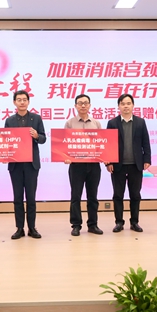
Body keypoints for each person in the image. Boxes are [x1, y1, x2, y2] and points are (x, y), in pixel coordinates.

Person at [106, 94, 151, 233]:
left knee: (135, 195)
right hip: (117, 165)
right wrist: (108, 162)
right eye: (123, 103)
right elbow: (108, 144)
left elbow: (145, 142)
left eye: (128, 103)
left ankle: (134, 222)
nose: (126, 106)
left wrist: (147, 159)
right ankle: (119, 222)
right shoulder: (112, 123)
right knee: (118, 195)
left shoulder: (140, 122)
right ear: (118, 106)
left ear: (133, 105)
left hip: (136, 165)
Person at [4, 90, 46, 239]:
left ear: (28, 102)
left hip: (31, 164)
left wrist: (36, 136)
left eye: (24, 100)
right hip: (15, 164)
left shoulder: (36, 118)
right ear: (14, 102)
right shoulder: (9, 121)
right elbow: (6, 141)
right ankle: (19, 228)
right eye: (19, 100)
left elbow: (43, 138)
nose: (22, 102)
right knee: (17, 198)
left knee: (31, 198)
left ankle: (32, 228)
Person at [64, 94, 103, 236]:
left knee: (93, 196)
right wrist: (66, 157)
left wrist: (105, 156)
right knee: (76, 196)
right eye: (80, 103)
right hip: (76, 166)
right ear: (75, 106)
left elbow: (101, 143)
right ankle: (76, 225)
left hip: (93, 165)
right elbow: (65, 144)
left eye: (86, 103)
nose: (83, 105)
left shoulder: (96, 123)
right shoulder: (70, 123)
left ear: (90, 105)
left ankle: (93, 224)